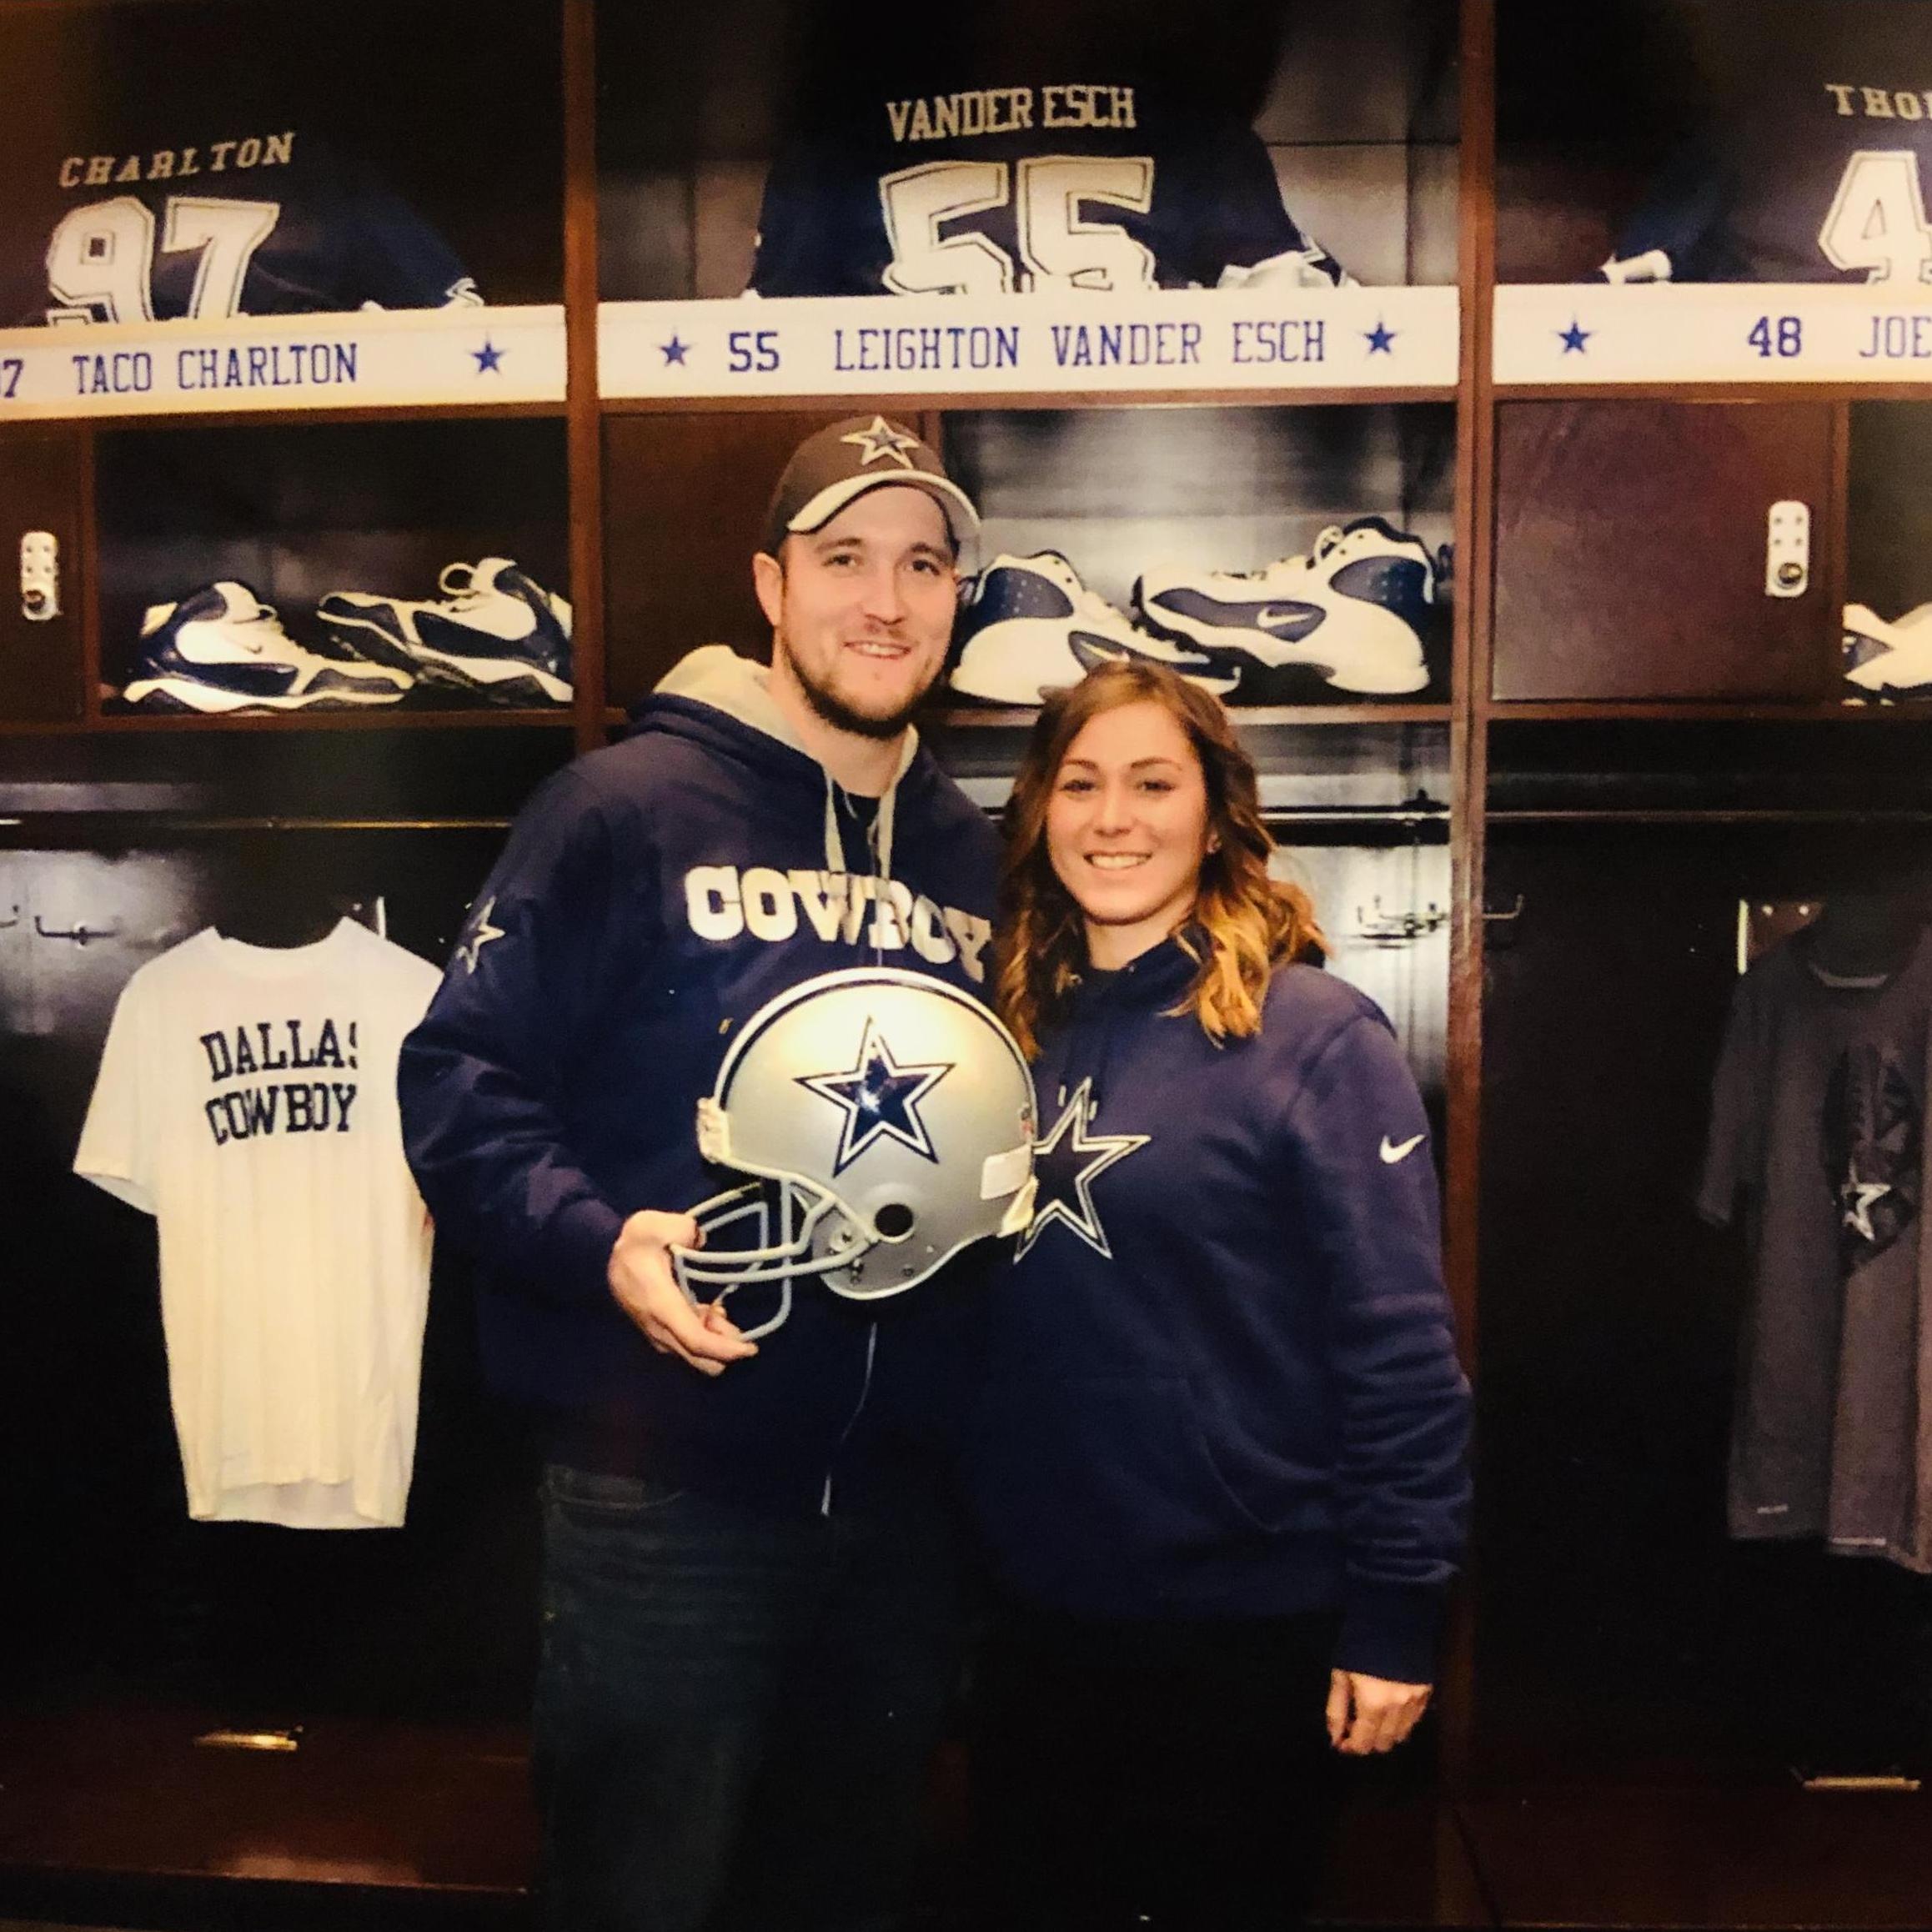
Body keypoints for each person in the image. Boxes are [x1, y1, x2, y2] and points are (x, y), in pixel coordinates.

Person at [396, 415, 1003, 1932]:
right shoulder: (618, 807)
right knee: (640, 1893)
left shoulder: (972, 851)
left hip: (904, 1508)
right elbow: (455, 1079)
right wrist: (596, 1241)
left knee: (845, 1892)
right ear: (770, 585)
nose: (885, 600)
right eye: (843, 558)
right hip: (666, 1490)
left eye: (923, 565)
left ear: (956, 598)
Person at [963, 660, 1472, 1930]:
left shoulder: (1314, 1037)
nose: (1112, 818)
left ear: (1213, 816)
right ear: (1038, 812)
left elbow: (1401, 1354)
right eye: (1080, 784)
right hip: (1032, 1621)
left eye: (1152, 783)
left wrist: (1395, 1614)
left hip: (1243, 1627)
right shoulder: (995, 1037)